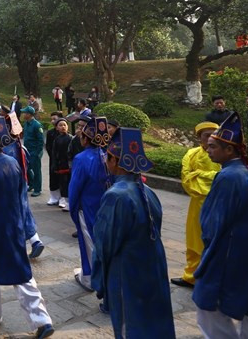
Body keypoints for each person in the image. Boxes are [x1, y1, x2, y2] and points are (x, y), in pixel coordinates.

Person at [0, 117, 54, 337]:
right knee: (19, 267)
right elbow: (20, 192)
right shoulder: (13, 162)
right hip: (14, 221)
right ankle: (41, 318)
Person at [92, 127, 175, 338]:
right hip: (152, 264)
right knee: (153, 319)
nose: (105, 161)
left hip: (127, 269)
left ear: (116, 162)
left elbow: (104, 244)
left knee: (129, 324)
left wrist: (99, 278)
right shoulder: (148, 191)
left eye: (108, 157)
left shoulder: (115, 196)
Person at [193, 112, 248, 338]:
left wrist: (208, 249)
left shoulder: (228, 177)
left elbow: (215, 222)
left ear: (230, 150)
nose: (208, 150)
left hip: (229, 250)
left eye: (213, 147)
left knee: (207, 305)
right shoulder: (246, 171)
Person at [172, 121, 221, 289]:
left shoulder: (224, 155)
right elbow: (187, 179)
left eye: (214, 135)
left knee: (215, 241)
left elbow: (227, 178)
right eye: (207, 135)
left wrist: (199, 174)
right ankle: (191, 276)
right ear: (199, 137)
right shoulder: (191, 154)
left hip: (219, 204)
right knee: (194, 241)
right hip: (197, 204)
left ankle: (213, 278)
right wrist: (213, 177)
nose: (210, 139)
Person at [68, 116, 112, 291]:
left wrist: (73, 208)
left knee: (88, 242)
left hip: (86, 206)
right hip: (105, 205)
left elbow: (75, 187)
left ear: (86, 139)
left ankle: (89, 278)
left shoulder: (81, 158)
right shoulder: (107, 155)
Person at [5, 113, 45, 259]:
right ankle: (35, 240)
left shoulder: (6, 150)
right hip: (22, 184)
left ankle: (16, 246)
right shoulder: (21, 147)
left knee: (14, 215)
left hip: (10, 187)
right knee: (24, 211)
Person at [46, 115, 71, 208]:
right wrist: (54, 162)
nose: (63, 127)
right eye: (60, 125)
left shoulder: (70, 138)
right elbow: (51, 150)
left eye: (64, 125)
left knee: (65, 182)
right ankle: (56, 197)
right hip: (57, 162)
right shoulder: (55, 138)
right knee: (57, 180)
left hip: (66, 164)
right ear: (57, 127)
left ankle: (65, 199)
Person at [20, 106, 45, 197]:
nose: (23, 114)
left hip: (35, 151)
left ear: (29, 114)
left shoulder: (37, 125)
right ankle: (31, 184)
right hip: (27, 150)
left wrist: (38, 152)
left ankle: (38, 189)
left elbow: (40, 140)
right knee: (27, 167)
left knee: (36, 170)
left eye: (24, 113)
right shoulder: (26, 123)